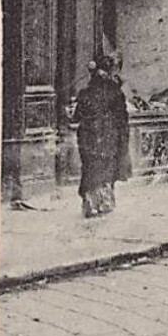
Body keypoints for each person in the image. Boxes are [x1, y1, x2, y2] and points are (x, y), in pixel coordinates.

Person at [72, 53, 130, 218]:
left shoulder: (85, 93)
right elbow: (122, 118)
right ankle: (104, 203)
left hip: (88, 137)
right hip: (108, 136)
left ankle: (90, 204)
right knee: (106, 168)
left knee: (90, 168)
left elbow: (77, 116)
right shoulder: (116, 93)